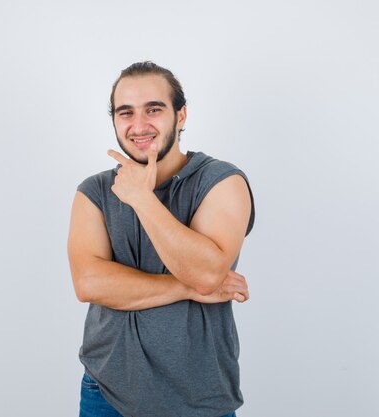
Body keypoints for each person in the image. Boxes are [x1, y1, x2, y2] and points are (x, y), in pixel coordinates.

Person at [67, 61, 255, 417]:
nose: (139, 125)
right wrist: (184, 288)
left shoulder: (221, 181)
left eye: (154, 109)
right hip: (105, 392)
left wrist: (141, 197)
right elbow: (89, 282)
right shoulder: (94, 191)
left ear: (181, 116)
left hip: (199, 398)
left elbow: (205, 274)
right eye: (126, 113)